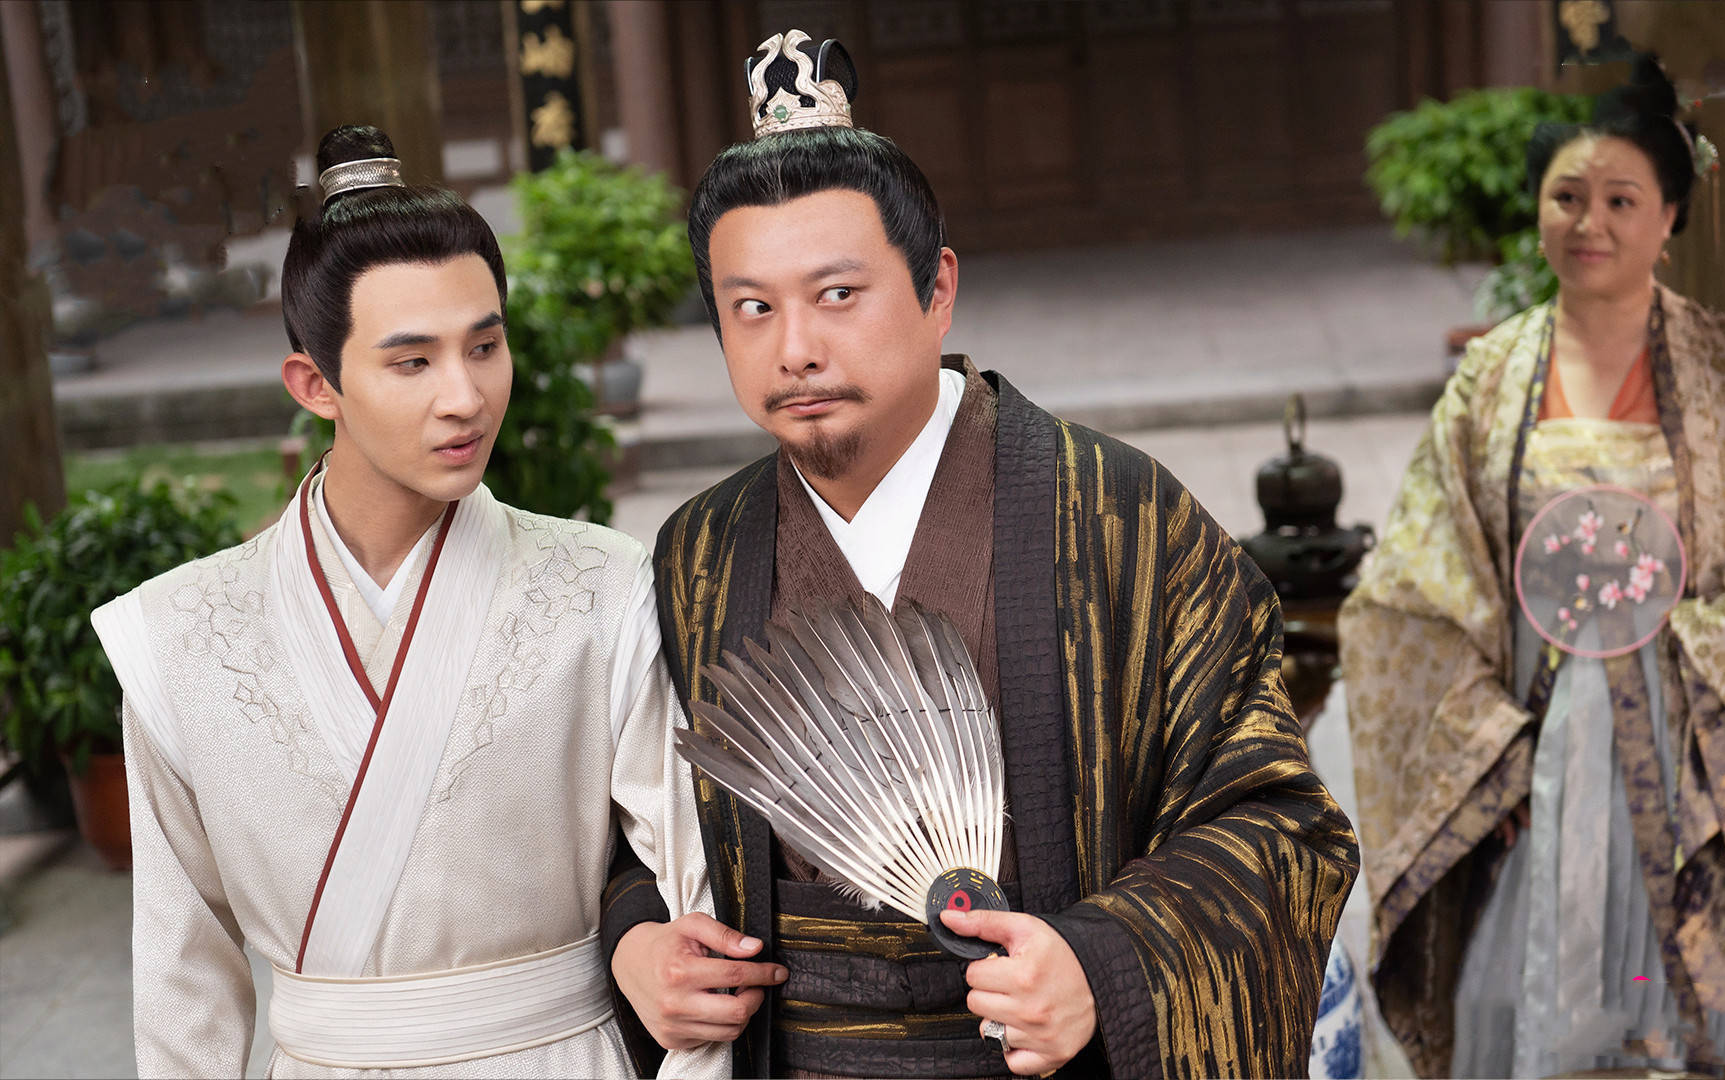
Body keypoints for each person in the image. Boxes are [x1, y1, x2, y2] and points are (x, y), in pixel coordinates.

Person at [599, 30, 1357, 1080]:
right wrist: (637, 939)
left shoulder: (1120, 519)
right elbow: (627, 826)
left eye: (838, 295)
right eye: (752, 308)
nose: (795, 349)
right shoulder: (699, 557)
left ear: (938, 287)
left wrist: (1104, 963)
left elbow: (1279, 821)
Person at [89, 125, 735, 1078]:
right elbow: (182, 979)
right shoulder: (177, 635)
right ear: (315, 384)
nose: (465, 397)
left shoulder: (599, 587)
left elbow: (701, 898)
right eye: (412, 362)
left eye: (486, 346)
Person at [1339, 54, 1725, 1076]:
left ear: (1668, 217)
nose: (1589, 222)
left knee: (1718, 1017)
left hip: (1700, 749)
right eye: (1567, 196)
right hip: (1539, 747)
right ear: (1538, 210)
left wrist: (1724, 636)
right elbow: (1409, 594)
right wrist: (1485, 749)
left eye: (1621, 199)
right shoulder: (1491, 383)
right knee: (1539, 1008)